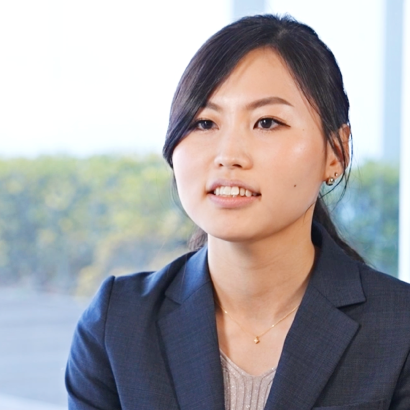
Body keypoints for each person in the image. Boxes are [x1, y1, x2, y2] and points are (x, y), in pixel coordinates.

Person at [65, 14, 410, 410]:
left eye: (267, 122)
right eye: (204, 123)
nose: (228, 155)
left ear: (336, 151)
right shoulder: (117, 325)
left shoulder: (400, 330)